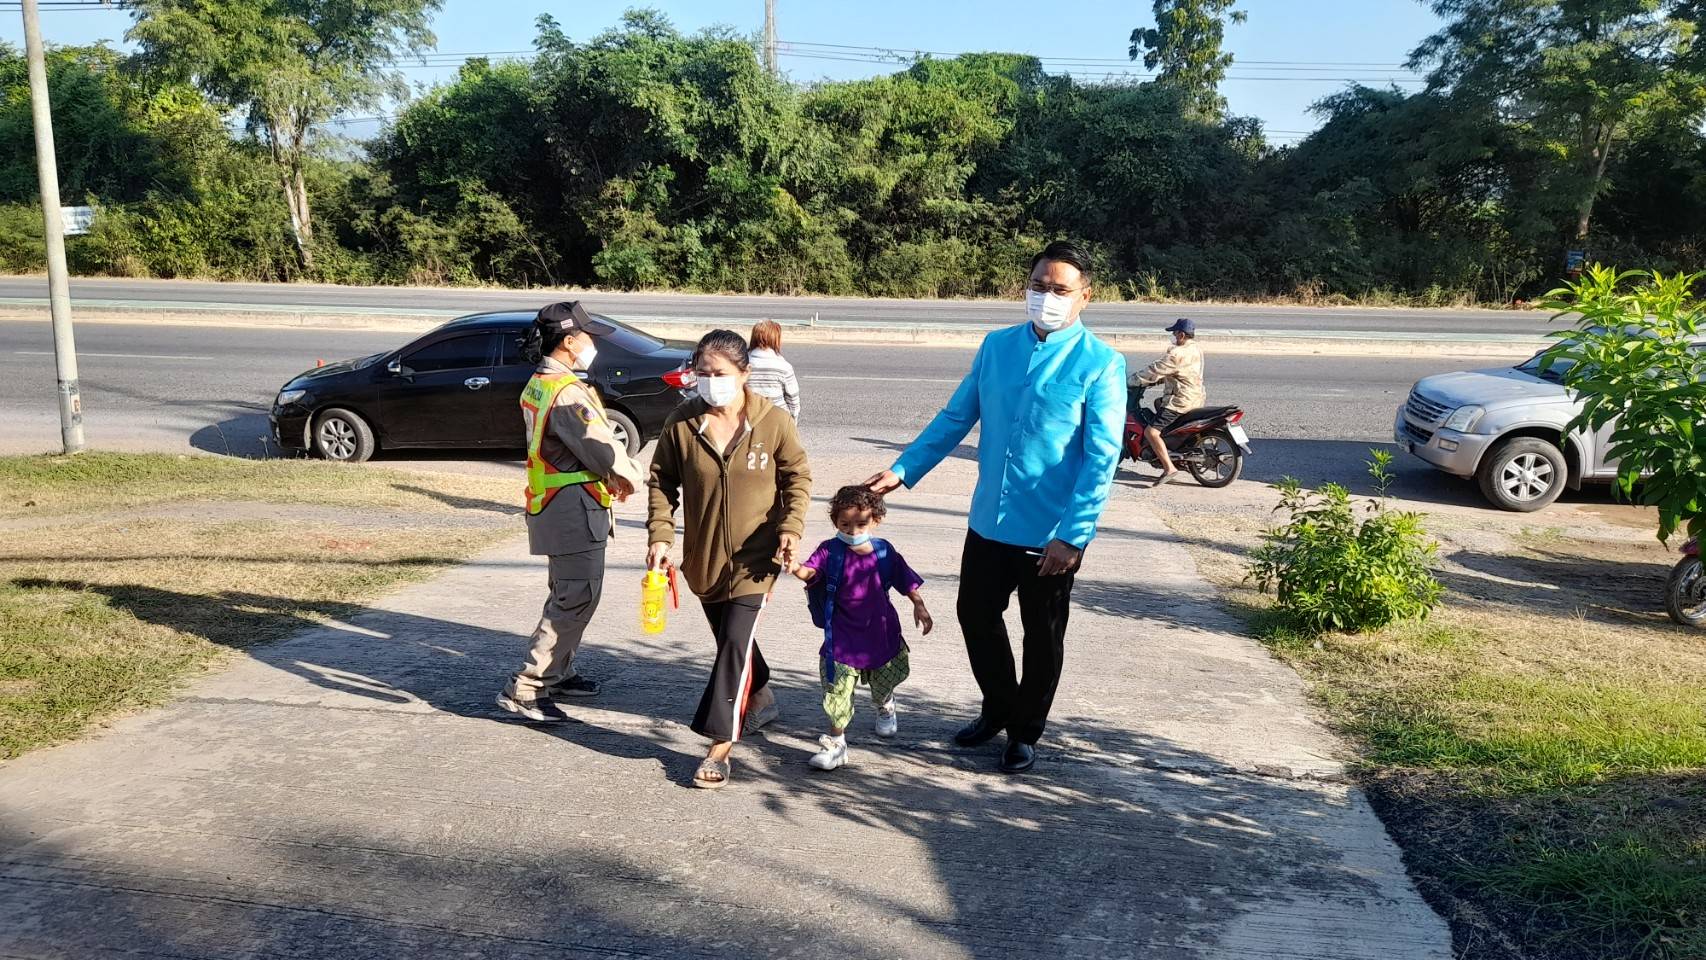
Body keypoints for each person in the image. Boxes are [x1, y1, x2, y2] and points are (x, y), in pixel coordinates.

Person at [866, 240, 1126, 775]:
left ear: (1085, 296)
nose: (1046, 297)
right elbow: (955, 417)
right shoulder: (997, 346)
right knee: (975, 616)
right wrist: (904, 468)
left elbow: (1101, 459)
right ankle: (999, 707)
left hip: (1050, 533)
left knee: (1042, 635)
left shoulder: (1100, 363)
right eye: (1038, 286)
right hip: (989, 520)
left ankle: (1025, 731)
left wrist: (1074, 535)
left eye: (1060, 289)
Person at [647, 329, 813, 789]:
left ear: (744, 373)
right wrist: (660, 535)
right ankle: (762, 692)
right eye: (702, 373)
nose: (710, 382)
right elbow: (661, 482)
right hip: (704, 559)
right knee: (731, 641)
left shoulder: (774, 422)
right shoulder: (682, 423)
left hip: (757, 559)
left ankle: (719, 745)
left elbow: (798, 478)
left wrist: (790, 527)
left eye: (719, 373)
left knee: (734, 644)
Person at [497, 301, 645, 723]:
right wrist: (633, 477)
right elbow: (603, 448)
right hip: (571, 509)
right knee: (574, 597)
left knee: (569, 593)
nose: (592, 343)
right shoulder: (566, 393)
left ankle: (558, 671)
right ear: (567, 341)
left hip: (559, 504)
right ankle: (527, 686)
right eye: (586, 336)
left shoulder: (542, 382)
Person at [787, 485, 933, 772]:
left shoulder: (883, 551)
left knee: (883, 681)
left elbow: (905, 579)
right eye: (845, 524)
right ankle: (837, 744)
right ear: (835, 522)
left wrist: (919, 604)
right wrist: (794, 567)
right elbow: (810, 572)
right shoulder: (829, 550)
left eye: (861, 524)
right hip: (842, 638)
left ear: (876, 521)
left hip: (881, 633)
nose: (853, 531)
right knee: (836, 690)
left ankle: (885, 704)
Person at [1130, 318, 1205, 486]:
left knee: (1151, 432)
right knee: (1158, 402)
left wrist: (1132, 380)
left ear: (1182, 334)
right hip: (1195, 397)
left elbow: (1155, 369)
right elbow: (1180, 373)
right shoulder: (1195, 349)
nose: (1173, 336)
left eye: (1175, 333)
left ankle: (1169, 468)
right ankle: (1170, 445)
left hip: (1180, 401)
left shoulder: (1177, 354)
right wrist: (1156, 381)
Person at [747, 320, 801, 420]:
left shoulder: (742, 364)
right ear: (775, 339)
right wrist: (792, 421)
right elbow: (793, 399)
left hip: (749, 418)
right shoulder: (784, 366)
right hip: (778, 418)